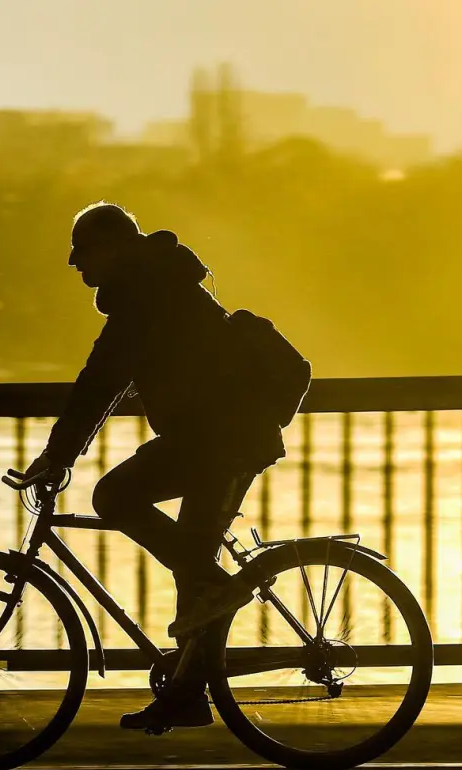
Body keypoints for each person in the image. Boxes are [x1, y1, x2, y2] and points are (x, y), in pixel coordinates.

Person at [21, 202, 285, 732]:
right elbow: (104, 382)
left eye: (83, 249)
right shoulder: (155, 284)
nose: (75, 262)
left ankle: (214, 589)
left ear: (115, 249)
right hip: (214, 438)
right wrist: (60, 452)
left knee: (114, 498)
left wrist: (57, 456)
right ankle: (189, 690)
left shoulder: (147, 297)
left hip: (221, 439)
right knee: (191, 565)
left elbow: (99, 382)